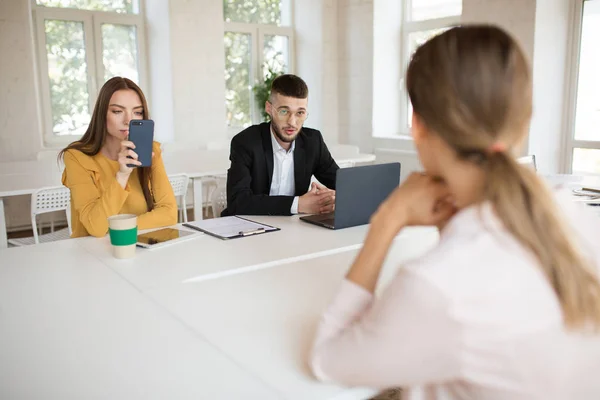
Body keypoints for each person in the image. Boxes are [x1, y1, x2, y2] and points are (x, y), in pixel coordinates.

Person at [310, 25, 600, 399]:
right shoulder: (578, 215)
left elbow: (327, 359)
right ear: (522, 120)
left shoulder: (436, 284)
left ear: (419, 125)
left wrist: (387, 222)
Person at [60, 77, 177, 238]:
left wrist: (116, 227)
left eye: (137, 112)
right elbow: (96, 227)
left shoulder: (151, 150)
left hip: (142, 248)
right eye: (117, 111)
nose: (128, 120)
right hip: (93, 253)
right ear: (102, 114)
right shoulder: (77, 157)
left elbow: (169, 215)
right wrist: (122, 175)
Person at [221, 74, 338, 216]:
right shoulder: (246, 142)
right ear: (269, 108)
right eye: (284, 111)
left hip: (292, 228)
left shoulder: (313, 141)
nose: (292, 122)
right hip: (249, 227)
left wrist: (332, 197)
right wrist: (298, 204)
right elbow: (238, 202)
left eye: (300, 113)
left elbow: (342, 183)